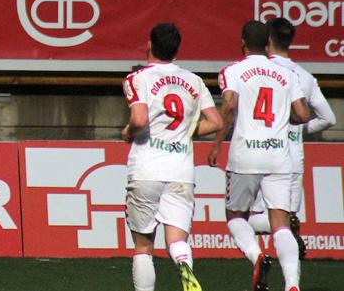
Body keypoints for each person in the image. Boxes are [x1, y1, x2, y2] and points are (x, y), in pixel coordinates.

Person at [207, 20, 311, 291]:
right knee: (281, 224)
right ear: (268, 44)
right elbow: (302, 114)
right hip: (279, 156)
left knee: (235, 217)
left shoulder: (233, 71)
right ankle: (291, 285)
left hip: (245, 156)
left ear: (242, 42)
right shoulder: (287, 74)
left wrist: (218, 142)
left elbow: (229, 104)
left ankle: (257, 256)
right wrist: (280, 119)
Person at [122, 23, 222, 291]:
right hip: (181, 171)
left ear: (149, 45)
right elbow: (215, 122)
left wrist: (129, 131)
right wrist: (184, 132)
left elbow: (140, 119)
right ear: (177, 50)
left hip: (147, 168)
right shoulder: (194, 81)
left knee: (143, 246)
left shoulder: (138, 78)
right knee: (177, 240)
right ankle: (183, 264)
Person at [248, 17, 336, 259]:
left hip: (262, 153)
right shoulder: (305, 77)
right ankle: (292, 281)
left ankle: (259, 259)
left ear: (267, 41)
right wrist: (298, 130)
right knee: (285, 219)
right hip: (293, 159)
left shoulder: (258, 72)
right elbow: (329, 118)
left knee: (244, 221)